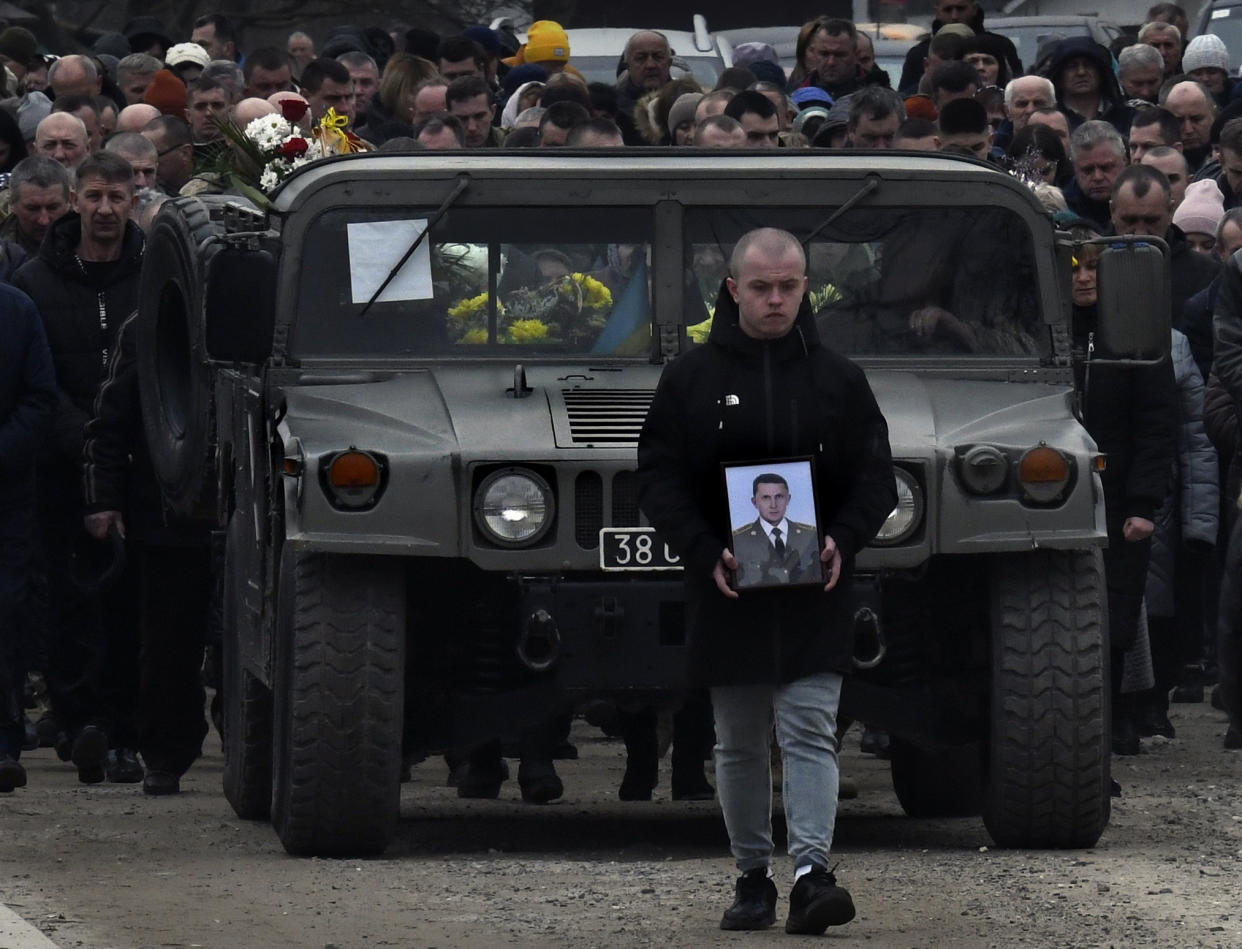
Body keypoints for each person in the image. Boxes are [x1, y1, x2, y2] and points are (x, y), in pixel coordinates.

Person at [637, 227, 895, 934]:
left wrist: (843, 539)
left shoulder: (840, 379)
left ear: (806, 287)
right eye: (761, 286)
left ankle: (812, 872)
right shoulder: (691, 378)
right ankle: (753, 875)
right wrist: (700, 548)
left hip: (816, 587)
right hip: (727, 587)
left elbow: (875, 476)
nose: (776, 299)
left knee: (811, 726)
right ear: (733, 289)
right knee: (740, 737)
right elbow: (658, 477)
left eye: (789, 286)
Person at [11, 152, 147, 785]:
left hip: (138, 463)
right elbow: (40, 381)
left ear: (133, 201)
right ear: (74, 201)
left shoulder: (152, 276)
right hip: (60, 463)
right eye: (93, 196)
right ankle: (75, 720)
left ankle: (125, 728)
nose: (104, 210)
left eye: (116, 198)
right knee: (67, 597)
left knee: (131, 602)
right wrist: (85, 439)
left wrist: (116, 442)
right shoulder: (38, 282)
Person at [0, 282, 56, 792]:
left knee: (5, 611)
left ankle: (3, 741)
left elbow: (40, 397)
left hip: (6, 492)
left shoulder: (17, 310)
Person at [732, 473, 822, 588]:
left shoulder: (810, 535)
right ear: (754, 502)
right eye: (766, 498)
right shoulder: (739, 540)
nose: (773, 505)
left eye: (779, 497)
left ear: (788, 499)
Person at [0, 157, 70, 256]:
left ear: (70, 201)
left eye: (53, 208)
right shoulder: (4, 257)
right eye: (32, 209)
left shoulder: (91, 244)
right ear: (12, 203)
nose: (43, 221)